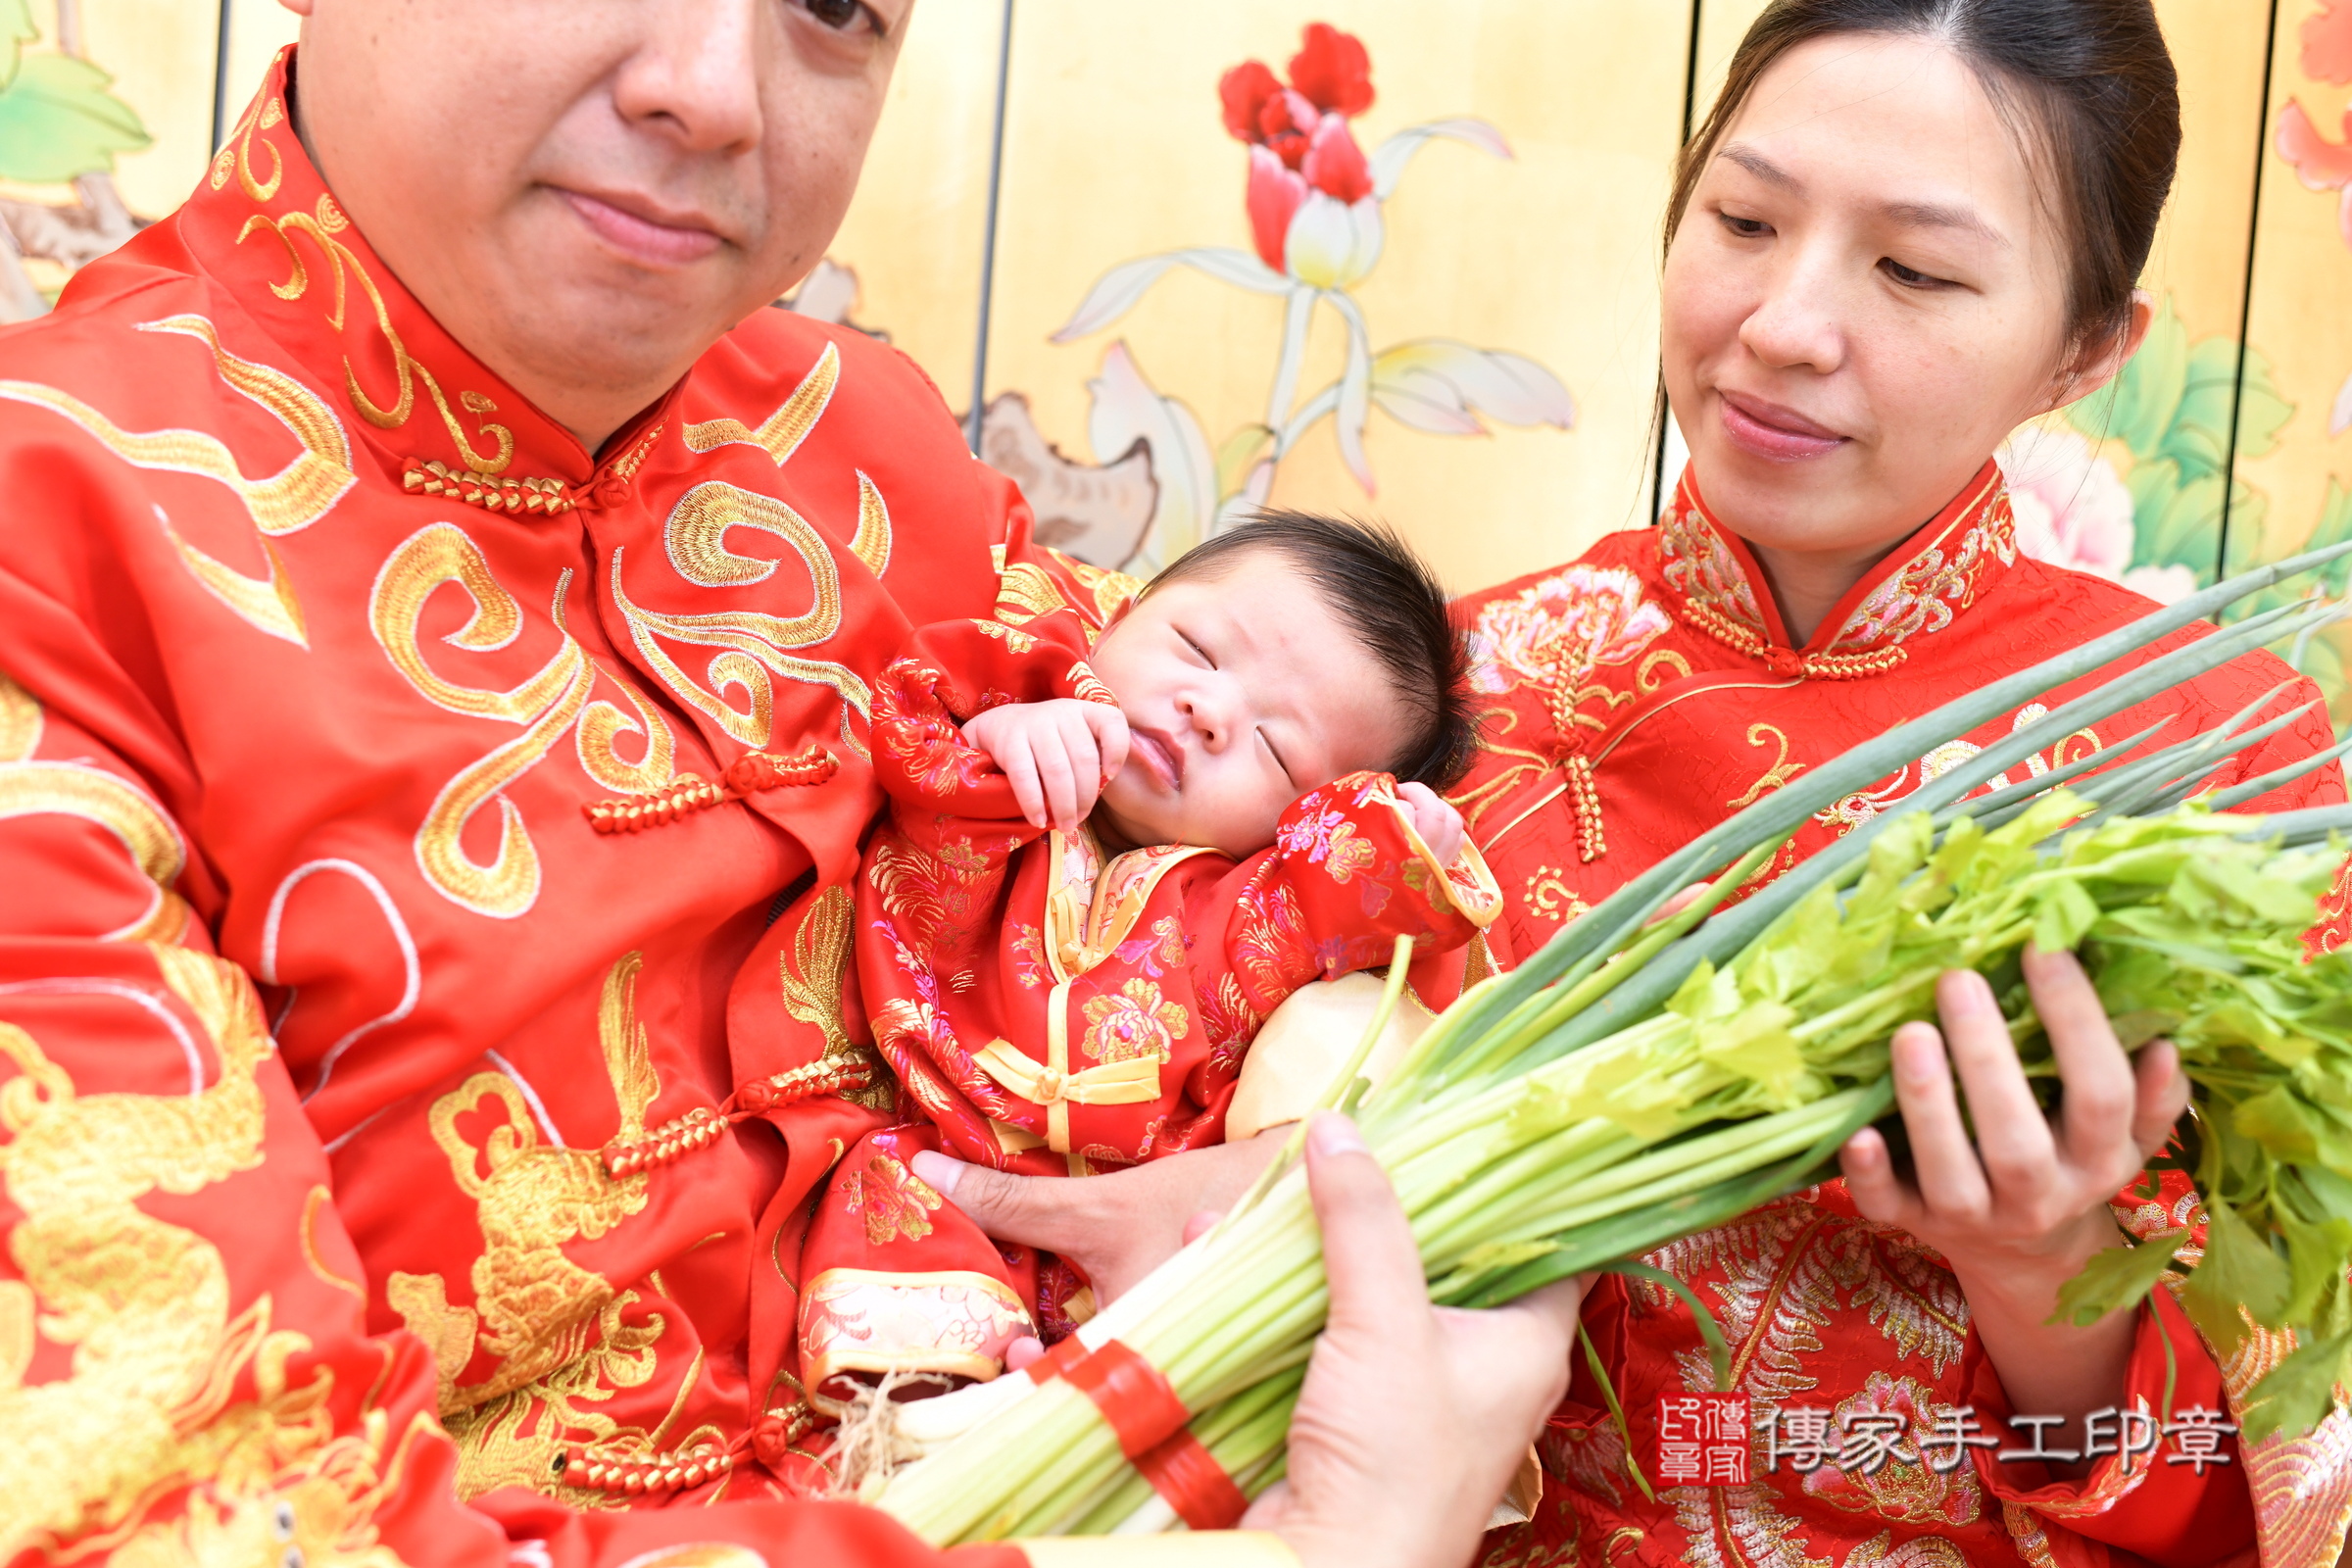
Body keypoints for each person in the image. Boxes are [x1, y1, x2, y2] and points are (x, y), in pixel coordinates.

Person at [0, 3, 1580, 1565]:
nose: (714, 95)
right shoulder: (56, 526)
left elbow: (1194, 867)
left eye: (831, 5)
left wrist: (1280, 1182)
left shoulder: (874, 445)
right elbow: (206, 1509)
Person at [1432, 2, 2352, 1563]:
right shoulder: (1457, 692)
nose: (1785, 324)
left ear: (2084, 352)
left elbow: (2256, 1489)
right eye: (1743, 218)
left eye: (1914, 270)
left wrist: (2042, 1271)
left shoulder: (2233, 775)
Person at [796, 515, 1500, 1406]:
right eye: (1198, 650)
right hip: (931, 1147)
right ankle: (896, 1420)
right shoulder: (1026, 724)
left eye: (1277, 749)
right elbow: (916, 739)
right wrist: (1009, 733)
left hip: (1131, 1240)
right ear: (1128, 611)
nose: (1210, 712)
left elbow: (1349, 900)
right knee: (896, 1229)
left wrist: (1404, 843)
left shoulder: (1242, 906)